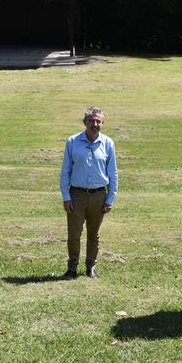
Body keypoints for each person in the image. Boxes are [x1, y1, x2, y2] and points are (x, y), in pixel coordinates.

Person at [60, 106, 118, 279]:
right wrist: (66, 196)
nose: (95, 124)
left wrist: (110, 198)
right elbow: (65, 172)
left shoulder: (108, 143)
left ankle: (91, 266)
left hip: (99, 195)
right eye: (91, 121)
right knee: (73, 235)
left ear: (102, 123)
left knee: (94, 234)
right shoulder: (72, 142)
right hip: (76, 195)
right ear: (84, 122)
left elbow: (113, 172)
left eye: (98, 121)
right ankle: (72, 268)